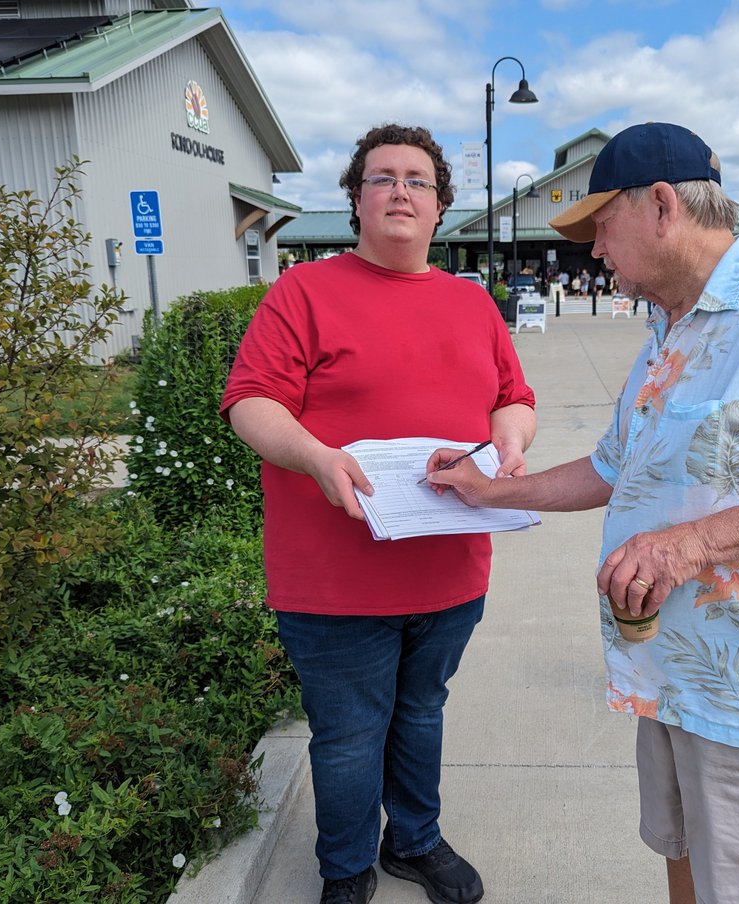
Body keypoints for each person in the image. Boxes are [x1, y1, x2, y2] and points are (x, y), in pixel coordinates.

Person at [424, 123, 739, 904]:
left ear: (662, 205)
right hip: (672, 673)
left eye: (601, 225)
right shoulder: (671, 326)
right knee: (683, 862)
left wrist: (686, 546)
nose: (594, 249)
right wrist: (489, 491)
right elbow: (614, 467)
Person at [220, 123, 536, 904]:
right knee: (350, 735)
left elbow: (514, 397)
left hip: (449, 568)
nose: (400, 190)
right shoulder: (303, 292)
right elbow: (249, 402)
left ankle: (415, 841)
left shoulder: (473, 304)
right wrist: (317, 457)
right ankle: (347, 868)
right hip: (334, 577)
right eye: (383, 177)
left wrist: (510, 436)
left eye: (417, 180)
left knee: (422, 712)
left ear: (439, 208)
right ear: (356, 200)